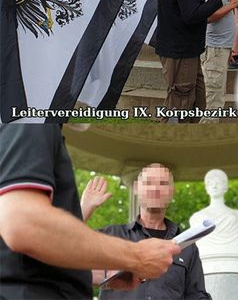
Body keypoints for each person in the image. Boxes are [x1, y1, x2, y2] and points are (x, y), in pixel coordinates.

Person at [0, 124, 180, 300]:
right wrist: (136, 256)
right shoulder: (33, 122)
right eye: (149, 183)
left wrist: (98, 274)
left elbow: (40, 252)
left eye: (163, 184)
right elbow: (24, 224)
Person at [81, 164, 210, 300]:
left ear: (172, 191)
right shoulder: (111, 235)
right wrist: (84, 208)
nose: (155, 189)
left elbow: (196, 296)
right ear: (136, 188)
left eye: (163, 184)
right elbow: (66, 251)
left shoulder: (187, 246)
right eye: (149, 183)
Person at [155, 0, 228, 123]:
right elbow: (192, 16)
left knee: (197, 102)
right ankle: (168, 146)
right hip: (180, 51)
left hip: (186, 49)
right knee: (180, 102)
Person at [199, 0, 238, 122]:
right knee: (214, 93)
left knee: (218, 92)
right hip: (214, 48)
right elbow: (209, 17)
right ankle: (207, 132)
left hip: (222, 48)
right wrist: (232, 4)